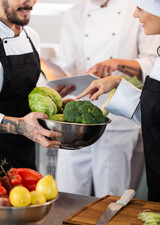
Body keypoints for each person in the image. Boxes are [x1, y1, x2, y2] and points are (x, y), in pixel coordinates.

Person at [55, 0, 160, 197]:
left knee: (110, 197)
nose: (136, 15)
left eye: (140, 10)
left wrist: (117, 65)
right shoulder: (74, 13)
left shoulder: (138, 8)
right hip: (77, 118)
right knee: (67, 195)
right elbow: (67, 65)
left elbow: (152, 64)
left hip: (118, 122)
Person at [0, 0, 62, 171]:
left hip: (24, 155)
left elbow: (30, 90)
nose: (30, 3)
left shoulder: (31, 36)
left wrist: (54, 103)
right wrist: (20, 126)